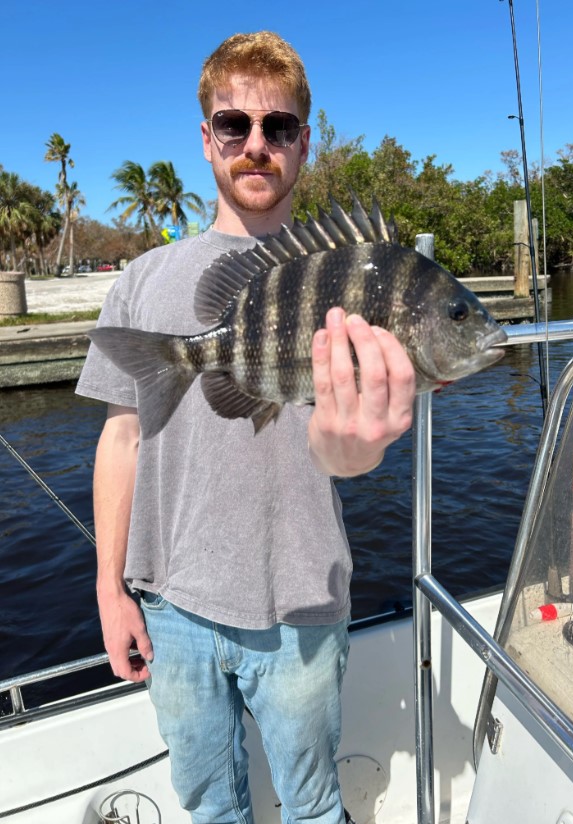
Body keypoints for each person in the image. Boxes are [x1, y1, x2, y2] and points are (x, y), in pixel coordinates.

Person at [77, 31, 415, 824]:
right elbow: (122, 438)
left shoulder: (362, 276)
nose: (256, 145)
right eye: (235, 125)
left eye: (280, 127)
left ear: (305, 138)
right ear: (206, 138)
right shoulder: (141, 279)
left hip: (301, 601)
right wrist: (109, 588)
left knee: (313, 805)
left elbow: (344, 452)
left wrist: (354, 447)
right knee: (208, 806)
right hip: (169, 604)